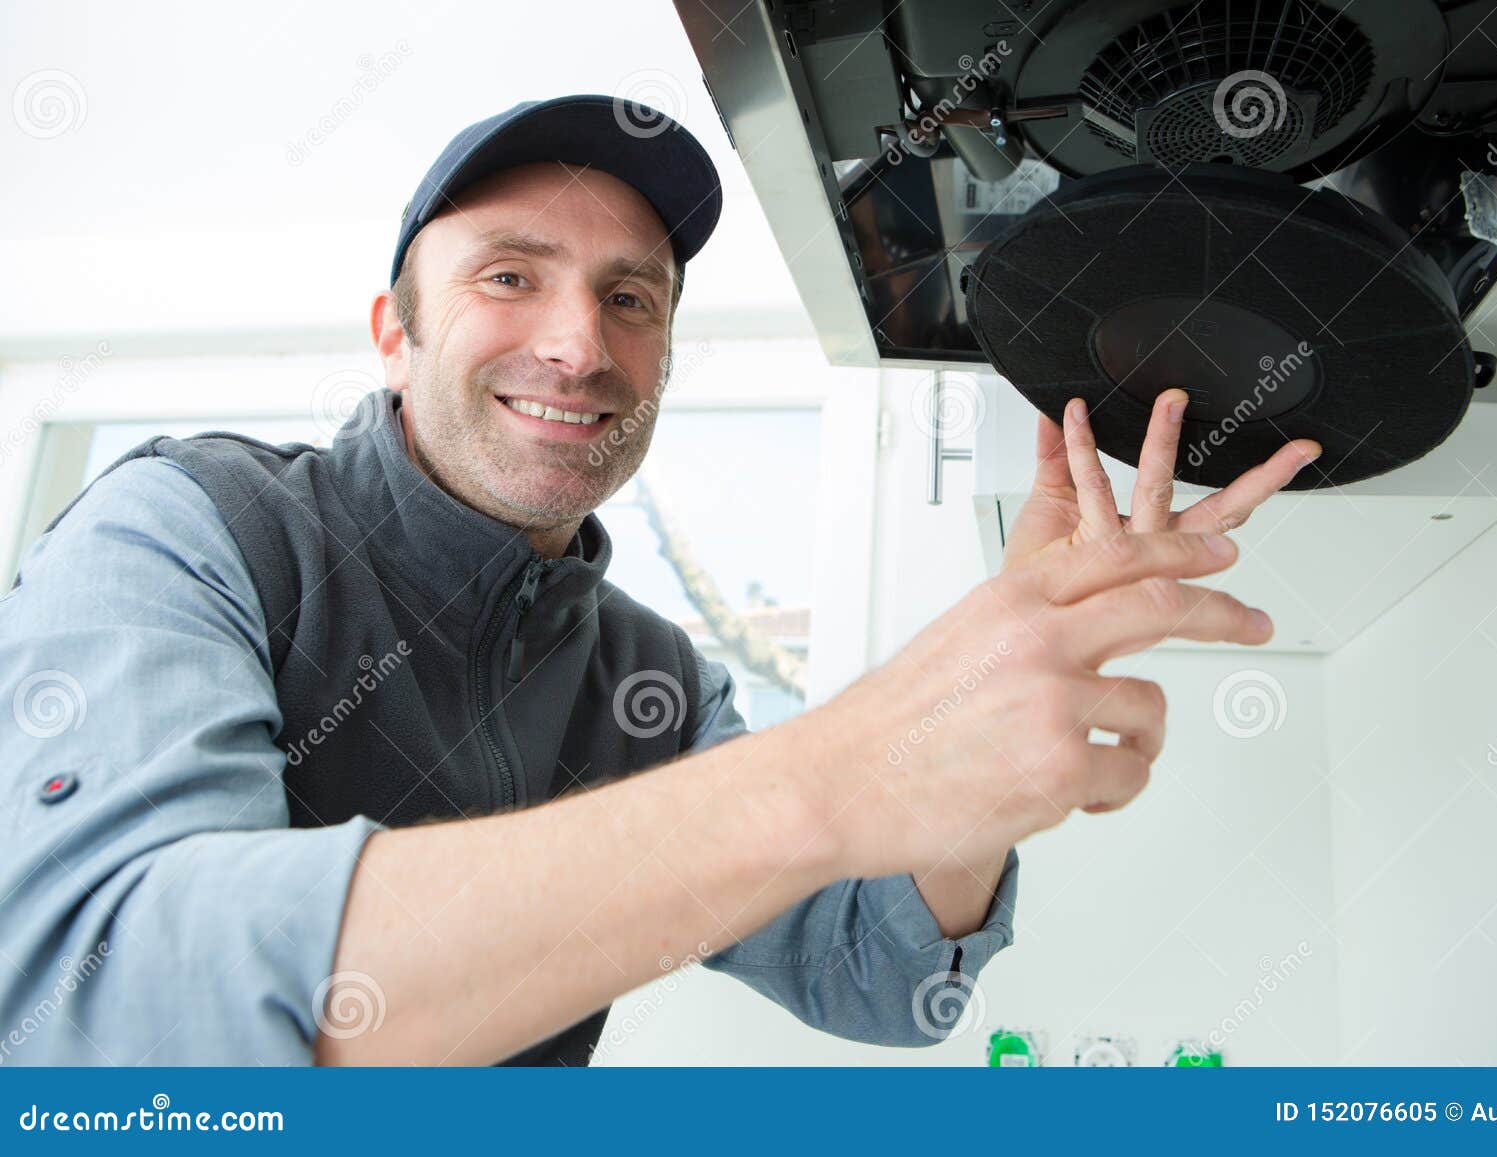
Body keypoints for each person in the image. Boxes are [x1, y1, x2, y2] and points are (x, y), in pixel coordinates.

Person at [0, 96, 1321, 1066]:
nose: (579, 343)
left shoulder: (649, 679)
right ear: (394, 334)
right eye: (511, 276)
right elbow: (106, 1001)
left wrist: (985, 736)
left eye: (632, 299)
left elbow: (873, 977)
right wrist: (837, 770)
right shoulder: (187, 531)